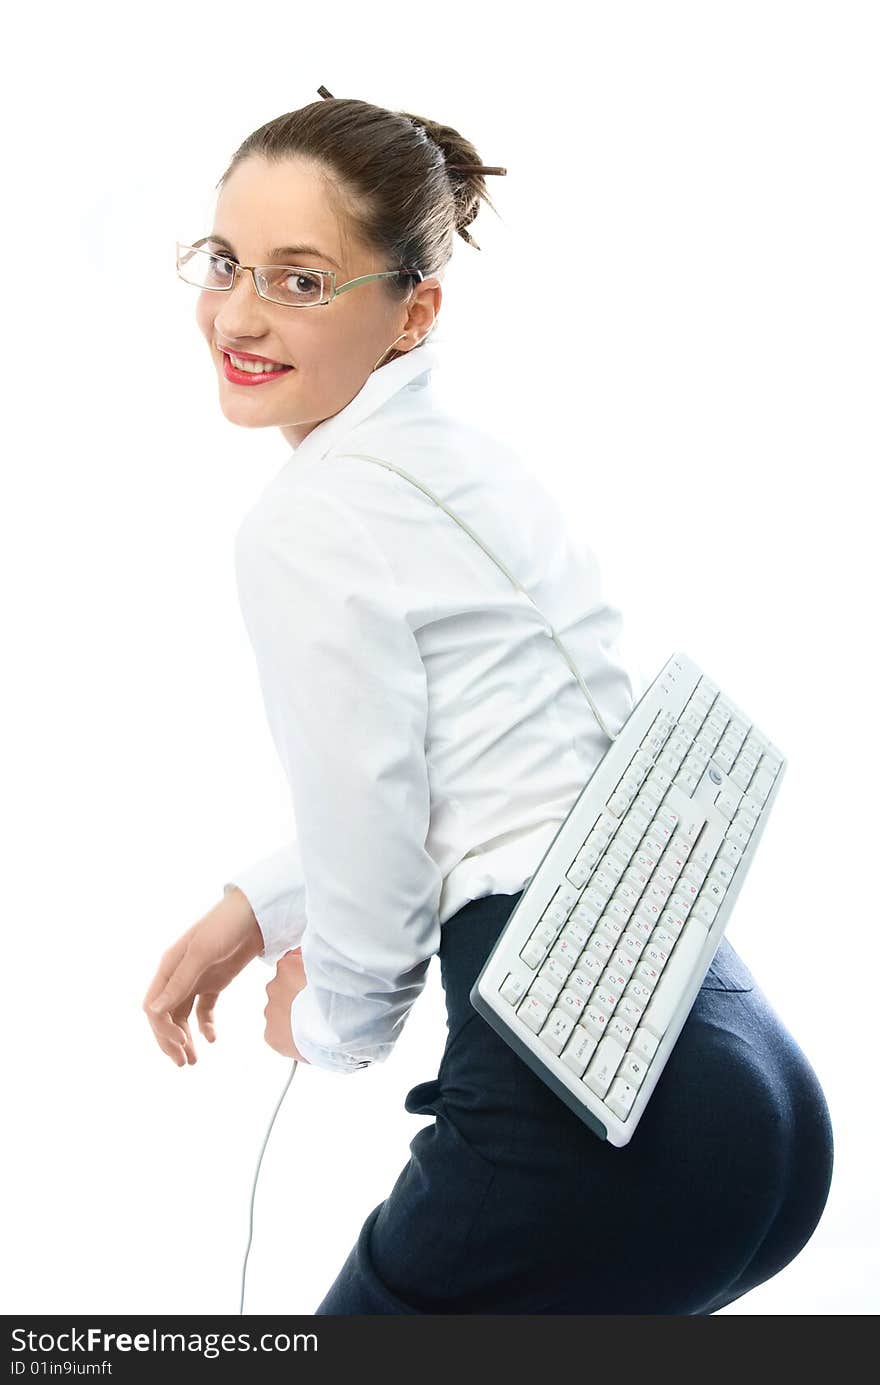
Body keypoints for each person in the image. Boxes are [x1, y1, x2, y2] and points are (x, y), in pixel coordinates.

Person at [143, 87, 834, 1313]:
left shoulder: (306, 522)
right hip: (743, 1085)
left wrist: (330, 1025)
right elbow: (514, 763)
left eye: (302, 279)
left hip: (580, 1120)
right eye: (226, 261)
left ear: (414, 311)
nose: (240, 313)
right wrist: (259, 899)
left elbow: (374, 820)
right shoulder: (472, 462)